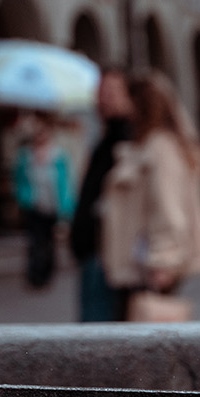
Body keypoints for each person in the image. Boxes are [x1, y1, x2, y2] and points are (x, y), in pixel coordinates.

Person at [99, 72, 200, 319]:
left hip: (147, 265)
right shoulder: (158, 145)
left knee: (139, 337)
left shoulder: (160, 148)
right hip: (140, 261)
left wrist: (163, 260)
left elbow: (168, 208)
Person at [70, 68, 133, 321]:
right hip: (94, 252)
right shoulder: (104, 140)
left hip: (109, 256)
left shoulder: (128, 142)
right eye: (100, 92)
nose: (102, 99)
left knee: (98, 336)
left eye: (110, 92)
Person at [14, 112, 74, 288]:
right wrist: (24, 198)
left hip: (52, 205)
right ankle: (35, 273)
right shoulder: (26, 155)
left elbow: (65, 183)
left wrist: (66, 208)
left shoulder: (58, 156)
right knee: (34, 241)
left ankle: (46, 272)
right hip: (33, 205)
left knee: (48, 242)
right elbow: (19, 179)